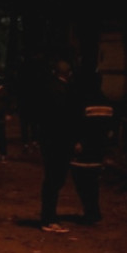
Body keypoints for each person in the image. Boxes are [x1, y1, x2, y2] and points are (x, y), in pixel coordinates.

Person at [37, 59, 82, 233]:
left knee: (51, 179)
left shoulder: (47, 89)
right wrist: (74, 140)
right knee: (55, 180)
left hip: (49, 140)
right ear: (68, 73)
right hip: (60, 142)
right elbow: (68, 119)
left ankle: (48, 217)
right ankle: (49, 219)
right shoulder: (66, 91)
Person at [70, 73, 114, 225]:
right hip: (98, 147)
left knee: (81, 180)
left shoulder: (83, 101)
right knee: (93, 181)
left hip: (84, 147)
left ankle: (90, 211)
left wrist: (77, 141)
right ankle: (93, 210)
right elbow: (110, 127)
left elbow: (78, 123)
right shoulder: (107, 102)